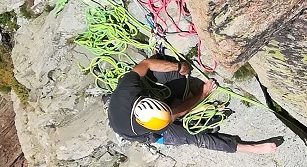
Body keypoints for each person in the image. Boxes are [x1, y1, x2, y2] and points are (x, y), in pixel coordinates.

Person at [107, 56, 278, 154]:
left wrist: (178, 66)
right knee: (193, 137)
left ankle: (180, 92)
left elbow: (146, 64)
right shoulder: (140, 128)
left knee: (172, 72)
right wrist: (203, 94)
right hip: (138, 130)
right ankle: (247, 148)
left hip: (127, 106)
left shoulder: (128, 87)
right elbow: (179, 112)